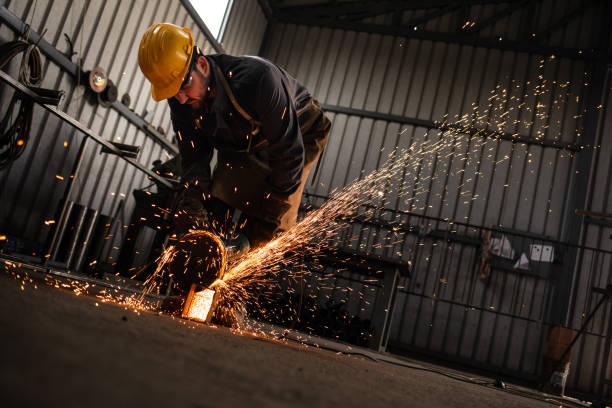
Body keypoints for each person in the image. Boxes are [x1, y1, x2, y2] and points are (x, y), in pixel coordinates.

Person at [138, 23, 331, 248]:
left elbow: (289, 156)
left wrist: (260, 229)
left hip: (299, 133)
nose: (180, 99)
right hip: (245, 140)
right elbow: (194, 158)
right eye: (173, 92)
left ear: (201, 65)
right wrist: (193, 202)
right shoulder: (181, 101)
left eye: (184, 86)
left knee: (270, 226)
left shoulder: (258, 80)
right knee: (216, 205)